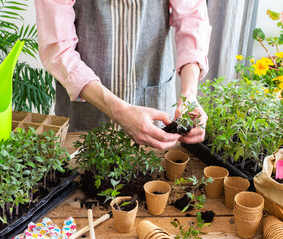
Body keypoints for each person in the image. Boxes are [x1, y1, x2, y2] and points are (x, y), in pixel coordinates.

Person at [34, 0, 211, 150]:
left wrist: (189, 93)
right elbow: (59, 49)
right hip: (88, 106)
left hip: (154, 97)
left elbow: (192, 17)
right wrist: (118, 110)